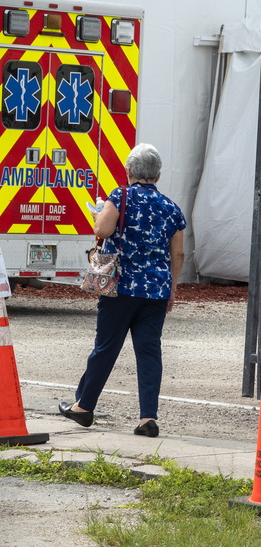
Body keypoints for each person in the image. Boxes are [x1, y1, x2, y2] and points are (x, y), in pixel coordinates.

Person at [59, 143, 186, 438]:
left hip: (121, 287)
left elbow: (102, 231)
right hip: (156, 292)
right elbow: (178, 253)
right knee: (149, 351)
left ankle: (84, 407)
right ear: (158, 174)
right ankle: (147, 418)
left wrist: (99, 214)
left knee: (106, 347)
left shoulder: (120, 196)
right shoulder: (172, 208)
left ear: (128, 170)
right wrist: (172, 289)